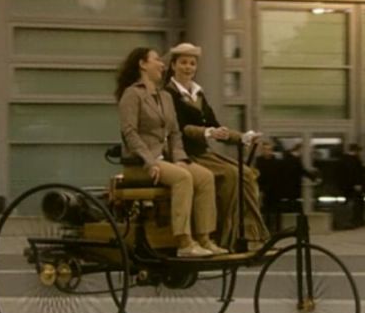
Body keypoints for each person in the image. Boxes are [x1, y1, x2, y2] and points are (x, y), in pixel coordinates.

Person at [116, 47, 226, 257]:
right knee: (183, 178)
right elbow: (130, 133)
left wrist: (180, 158)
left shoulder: (165, 96)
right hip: (139, 163)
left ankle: (204, 238)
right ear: (143, 64)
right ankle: (184, 242)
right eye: (157, 60)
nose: (162, 64)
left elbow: (175, 133)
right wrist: (150, 161)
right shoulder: (132, 94)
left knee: (205, 177)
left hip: (165, 159)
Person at [163, 42, 269, 251]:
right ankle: (224, 235)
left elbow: (215, 125)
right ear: (173, 65)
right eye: (183, 62)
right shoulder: (169, 94)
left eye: (192, 63)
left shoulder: (198, 94)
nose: (188, 67)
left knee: (247, 174)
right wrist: (207, 132)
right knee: (231, 175)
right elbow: (179, 128)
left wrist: (242, 137)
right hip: (185, 155)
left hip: (203, 153)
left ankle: (251, 233)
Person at [338, 143, 365, 228]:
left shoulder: (343, 159)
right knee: (357, 203)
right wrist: (357, 183)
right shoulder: (354, 160)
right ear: (356, 151)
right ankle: (356, 220)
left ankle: (349, 220)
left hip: (346, 186)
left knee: (349, 202)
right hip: (354, 186)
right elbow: (356, 173)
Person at [254, 141, 280, 231]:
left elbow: (278, 176)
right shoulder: (259, 161)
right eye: (265, 149)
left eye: (269, 149)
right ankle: (265, 229)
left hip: (274, 189)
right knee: (264, 210)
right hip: (263, 189)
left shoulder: (275, 161)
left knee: (274, 211)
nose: (267, 151)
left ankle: (275, 229)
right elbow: (257, 175)